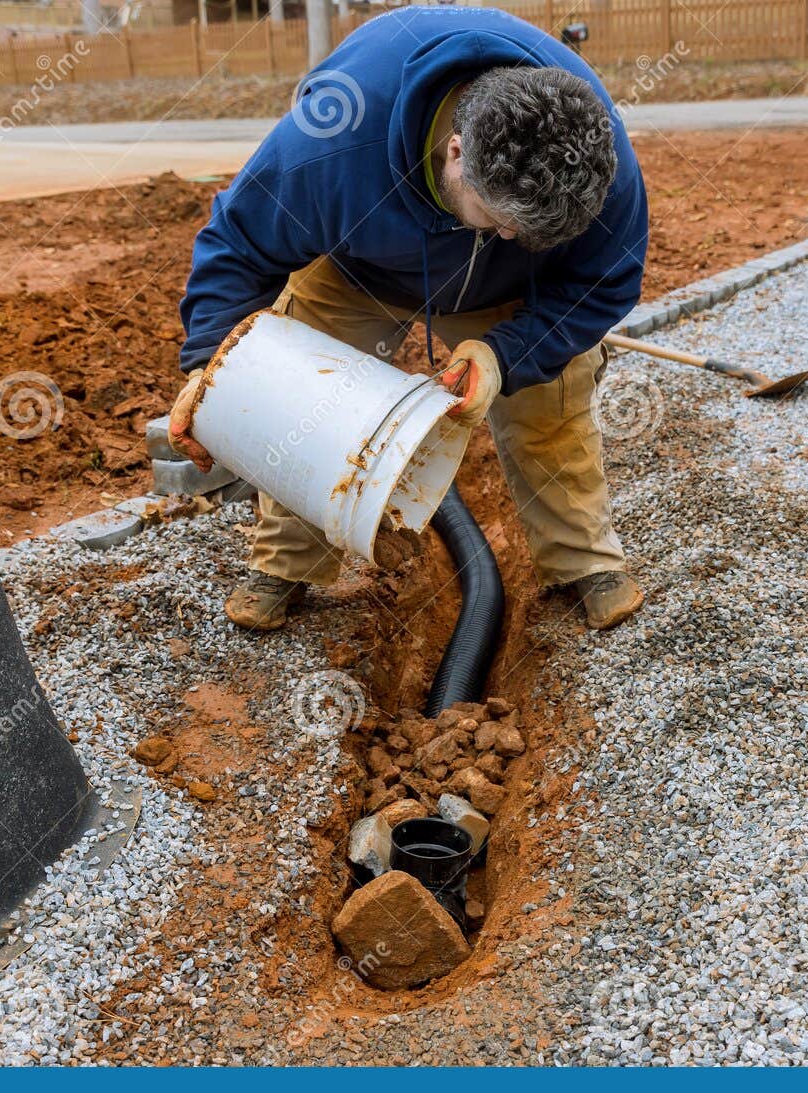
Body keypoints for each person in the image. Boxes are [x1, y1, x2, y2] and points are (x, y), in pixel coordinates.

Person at [170, 5, 648, 632]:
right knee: (301, 392)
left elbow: (603, 283)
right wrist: (211, 371)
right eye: (500, 219)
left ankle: (584, 563)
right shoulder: (331, 145)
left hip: (509, 288)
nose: (510, 233)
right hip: (361, 267)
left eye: (528, 230)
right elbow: (237, 245)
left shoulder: (597, 163)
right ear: (456, 153)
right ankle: (285, 564)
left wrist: (505, 356)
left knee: (553, 400)